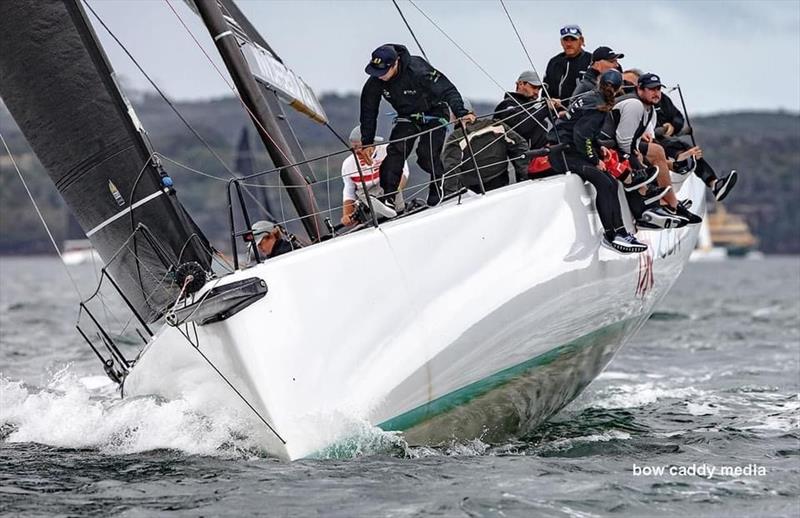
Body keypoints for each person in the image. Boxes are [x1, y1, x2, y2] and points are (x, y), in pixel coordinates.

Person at [360, 44, 475, 209]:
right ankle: (389, 198)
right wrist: (367, 142)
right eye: (376, 72)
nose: (380, 76)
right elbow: (368, 111)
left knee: (426, 155)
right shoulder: (375, 81)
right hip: (407, 116)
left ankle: (438, 184)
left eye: (383, 72)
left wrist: (462, 112)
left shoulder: (418, 69)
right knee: (396, 151)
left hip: (434, 112)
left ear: (396, 63)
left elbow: (448, 90)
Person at [550, 69, 648, 254]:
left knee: (612, 182)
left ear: (600, 82)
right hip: (563, 154)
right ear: (619, 89)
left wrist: (598, 145)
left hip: (571, 149)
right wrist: (595, 160)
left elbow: (584, 131)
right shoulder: (598, 105)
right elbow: (580, 135)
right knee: (604, 182)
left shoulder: (594, 97)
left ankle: (620, 232)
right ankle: (612, 235)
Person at [612, 72, 702, 225]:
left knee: (657, 150)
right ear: (639, 89)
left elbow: (649, 139)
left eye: (658, 89)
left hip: (622, 144)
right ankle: (651, 207)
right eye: (651, 89)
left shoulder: (650, 110)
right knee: (645, 157)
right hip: (607, 144)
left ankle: (673, 205)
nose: (656, 93)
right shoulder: (634, 105)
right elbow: (622, 140)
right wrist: (636, 156)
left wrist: (670, 163)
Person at [442, 100, 529, 194]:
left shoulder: (455, 138)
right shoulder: (496, 125)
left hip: (474, 192)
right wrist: (525, 174)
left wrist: (452, 195)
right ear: (473, 113)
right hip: (501, 182)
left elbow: (451, 169)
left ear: (453, 117)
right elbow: (520, 145)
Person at [340, 125, 410, 226]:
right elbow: (349, 191)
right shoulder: (348, 164)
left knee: (392, 178)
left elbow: (404, 173)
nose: (357, 151)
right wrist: (347, 215)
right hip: (366, 198)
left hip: (388, 192)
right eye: (353, 148)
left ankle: (390, 207)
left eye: (359, 147)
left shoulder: (388, 151)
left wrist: (390, 195)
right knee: (362, 195)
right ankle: (370, 214)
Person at [493, 70, 553, 150]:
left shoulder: (534, 109)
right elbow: (520, 129)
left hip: (544, 154)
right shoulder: (507, 105)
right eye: (534, 87)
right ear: (520, 84)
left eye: (539, 89)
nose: (537, 92)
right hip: (523, 158)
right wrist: (545, 109)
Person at [543, 24, 592, 104]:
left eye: (573, 39)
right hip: (555, 113)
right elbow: (545, 92)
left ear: (581, 41)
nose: (569, 44)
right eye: (566, 40)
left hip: (584, 112)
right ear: (561, 42)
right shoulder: (554, 63)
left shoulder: (591, 61)